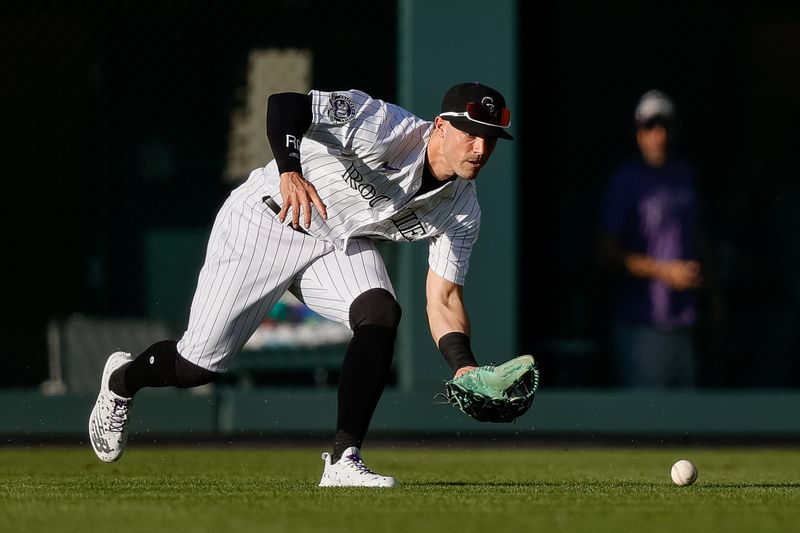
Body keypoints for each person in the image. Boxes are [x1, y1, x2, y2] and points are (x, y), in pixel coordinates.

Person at [89, 82, 514, 487]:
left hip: (335, 242)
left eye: (491, 138)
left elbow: (443, 297)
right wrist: (289, 170)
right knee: (193, 368)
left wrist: (463, 364)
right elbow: (286, 104)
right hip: (265, 221)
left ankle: (344, 460)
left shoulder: (462, 211)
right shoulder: (383, 125)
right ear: (441, 126)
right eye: (470, 133)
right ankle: (122, 380)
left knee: (381, 312)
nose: (480, 148)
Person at [596, 89, 703, 388]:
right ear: (638, 133)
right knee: (648, 423)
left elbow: (696, 233)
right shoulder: (625, 182)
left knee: (686, 424)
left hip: (685, 321)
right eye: (650, 127)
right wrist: (665, 272)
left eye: (665, 126)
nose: (659, 134)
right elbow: (606, 251)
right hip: (641, 324)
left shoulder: (684, 175)